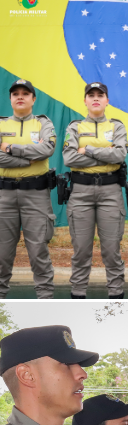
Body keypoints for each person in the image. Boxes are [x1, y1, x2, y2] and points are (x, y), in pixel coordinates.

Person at [62, 82, 127, 299]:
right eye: (91, 95)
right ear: (85, 100)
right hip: (81, 192)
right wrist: (104, 153)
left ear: (107, 100)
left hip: (110, 192)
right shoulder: (75, 127)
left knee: (111, 250)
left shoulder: (117, 127)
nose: (96, 98)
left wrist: (87, 149)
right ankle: (78, 294)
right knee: (81, 250)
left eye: (100, 95)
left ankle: (116, 296)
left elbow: (119, 156)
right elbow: (69, 158)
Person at [0, 79, 56, 299]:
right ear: (10, 99)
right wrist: (28, 160)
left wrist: (10, 148)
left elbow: (47, 149)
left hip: (36, 195)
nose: (20, 97)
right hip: (4, 196)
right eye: (16, 94)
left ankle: (46, 300)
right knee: (2, 253)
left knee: (38, 250)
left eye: (25, 93)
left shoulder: (43, 123)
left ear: (33, 99)